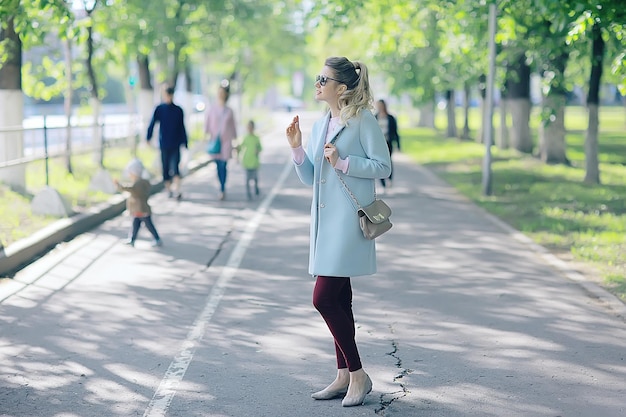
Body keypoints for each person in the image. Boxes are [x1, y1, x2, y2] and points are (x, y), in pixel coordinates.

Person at [285, 57, 391, 408]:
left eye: (323, 79)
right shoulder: (320, 124)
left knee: (323, 298)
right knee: (340, 300)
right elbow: (311, 179)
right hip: (323, 224)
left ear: (341, 88)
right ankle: (344, 374)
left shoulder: (362, 121)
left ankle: (359, 374)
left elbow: (383, 165)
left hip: (346, 225)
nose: (317, 84)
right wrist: (298, 148)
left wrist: (344, 162)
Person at [146, 86, 188, 200]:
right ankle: (169, 189)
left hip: (175, 144)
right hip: (164, 144)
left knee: (175, 167)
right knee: (165, 168)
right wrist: (148, 137)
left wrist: (185, 142)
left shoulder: (178, 110)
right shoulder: (160, 109)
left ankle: (177, 190)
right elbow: (152, 123)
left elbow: (182, 127)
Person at [114, 159, 162, 247]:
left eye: (130, 173)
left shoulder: (139, 184)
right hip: (138, 210)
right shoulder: (141, 182)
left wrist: (119, 186)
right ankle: (132, 239)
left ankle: (157, 238)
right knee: (135, 225)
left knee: (148, 225)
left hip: (141, 210)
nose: (129, 175)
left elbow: (131, 189)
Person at [204, 81, 237, 200]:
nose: (221, 95)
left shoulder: (229, 111)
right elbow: (207, 123)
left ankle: (222, 188)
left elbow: (233, 127)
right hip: (214, 140)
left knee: (223, 165)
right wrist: (206, 135)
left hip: (226, 142)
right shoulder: (212, 109)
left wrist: (235, 142)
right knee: (218, 165)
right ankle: (220, 185)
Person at [375, 99, 400, 188]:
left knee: (388, 161)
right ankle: (382, 182)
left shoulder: (390, 118)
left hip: (388, 142)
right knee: (378, 161)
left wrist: (398, 145)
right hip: (378, 143)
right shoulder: (375, 117)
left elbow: (395, 132)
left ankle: (389, 178)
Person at [237, 119, 262, 200]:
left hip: (254, 161)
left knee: (255, 177)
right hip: (247, 160)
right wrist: (237, 151)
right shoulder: (245, 137)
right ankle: (248, 193)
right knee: (247, 179)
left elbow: (260, 148)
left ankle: (256, 188)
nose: (250, 129)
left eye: (251, 127)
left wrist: (257, 151)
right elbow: (240, 147)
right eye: (248, 127)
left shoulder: (256, 138)